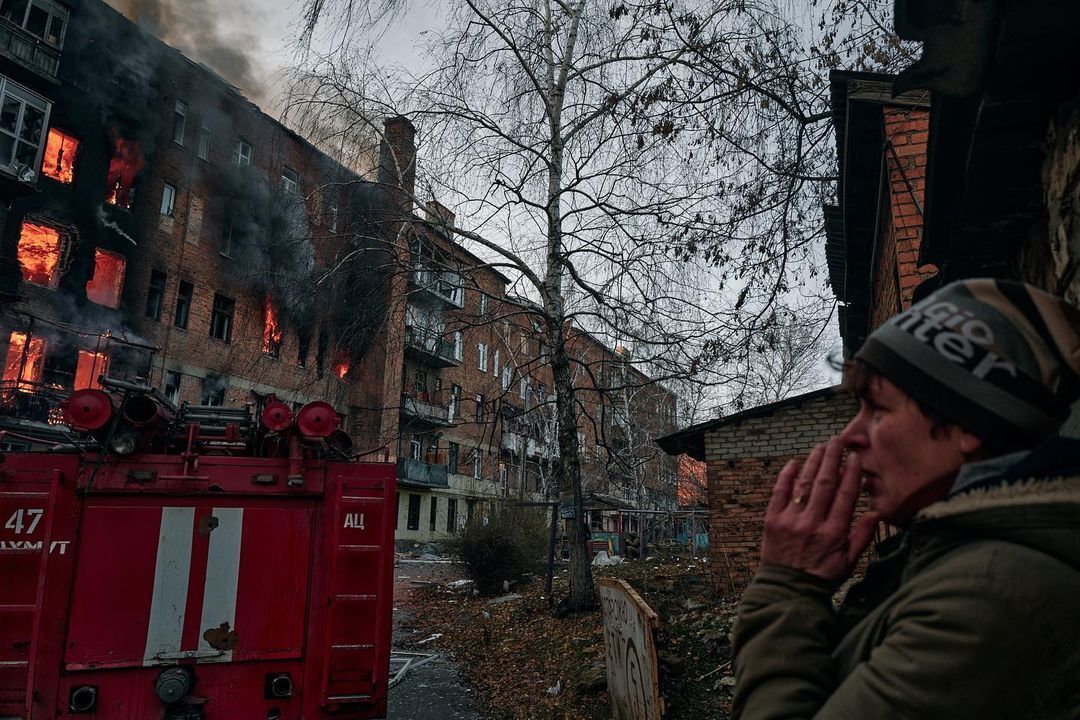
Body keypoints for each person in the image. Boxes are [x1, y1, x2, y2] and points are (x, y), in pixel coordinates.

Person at [732, 279, 1080, 720]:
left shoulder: (986, 598)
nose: (851, 437)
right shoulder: (959, 558)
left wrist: (786, 585)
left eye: (877, 410)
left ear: (968, 422)